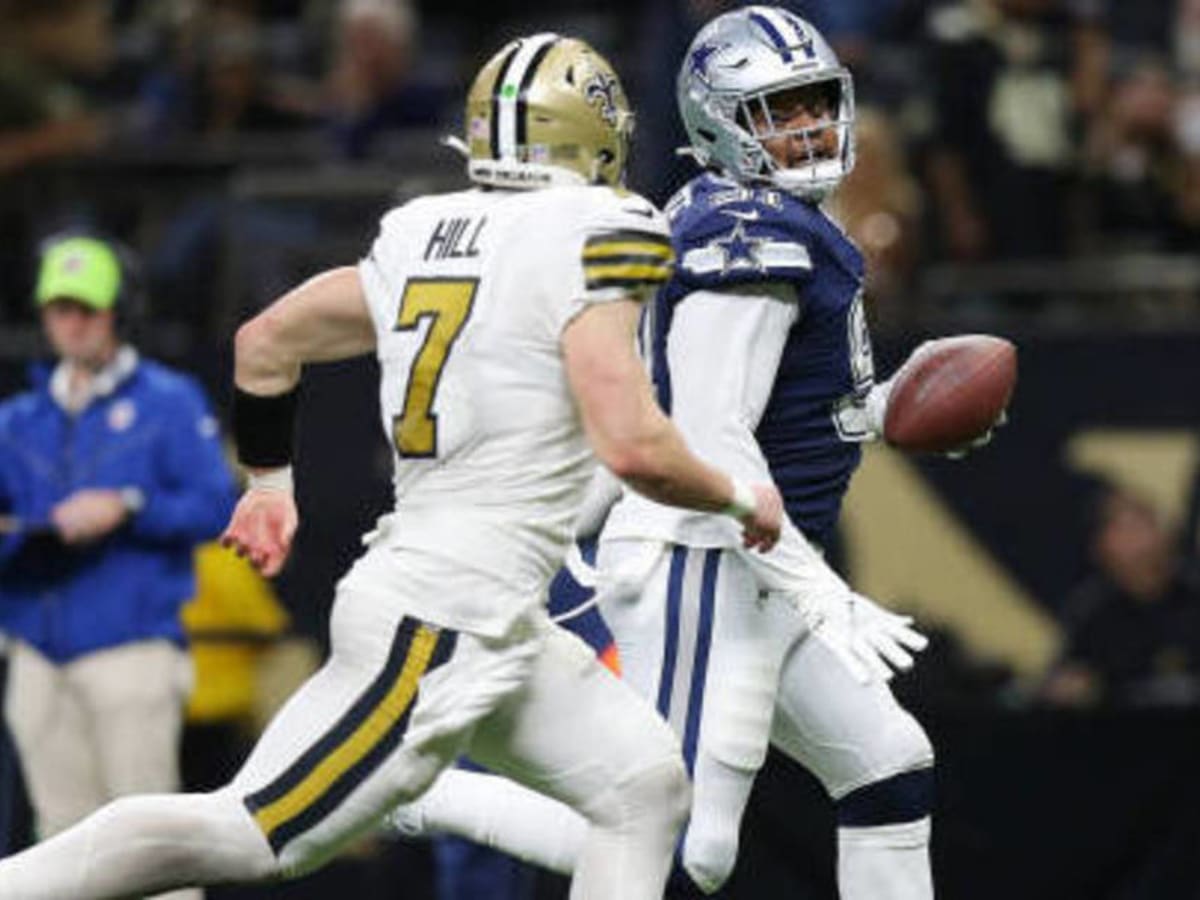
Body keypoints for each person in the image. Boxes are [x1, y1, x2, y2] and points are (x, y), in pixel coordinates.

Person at [0, 32, 783, 900]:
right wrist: (738, 496)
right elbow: (631, 442)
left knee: (643, 788)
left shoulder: (427, 227)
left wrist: (268, 483)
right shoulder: (601, 226)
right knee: (249, 833)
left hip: (488, 613)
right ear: (594, 134)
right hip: (445, 616)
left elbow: (266, 342)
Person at [386, 9, 942, 899]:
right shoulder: (749, 233)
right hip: (702, 558)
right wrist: (821, 590)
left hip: (752, 561)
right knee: (670, 840)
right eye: (777, 110)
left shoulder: (741, 211)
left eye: (812, 105)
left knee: (888, 765)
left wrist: (878, 407)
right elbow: (712, 429)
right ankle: (420, 793)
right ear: (719, 119)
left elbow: (762, 409)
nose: (807, 128)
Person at [0, 232, 237, 900]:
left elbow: (217, 504)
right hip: (37, 651)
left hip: (129, 647)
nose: (71, 323)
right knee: (57, 841)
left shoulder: (168, 400)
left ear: (118, 311)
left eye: (87, 308)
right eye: (59, 309)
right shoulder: (19, 418)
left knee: (149, 846)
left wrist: (128, 505)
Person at [1041, 483, 1200, 708]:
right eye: (1123, 528)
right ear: (1100, 546)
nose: (1137, 541)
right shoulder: (1091, 612)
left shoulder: (1194, 594)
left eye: (1143, 524)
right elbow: (1065, 680)